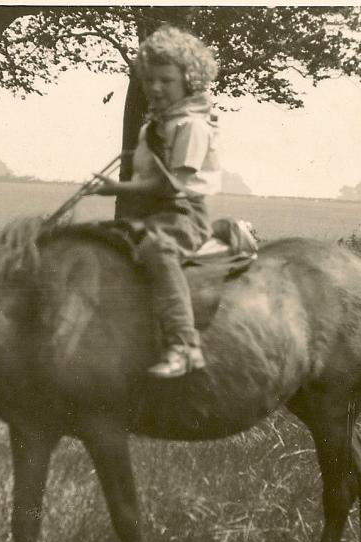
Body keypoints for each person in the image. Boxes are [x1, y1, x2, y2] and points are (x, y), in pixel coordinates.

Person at [87, 25, 221, 378]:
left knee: (158, 252)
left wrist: (116, 190)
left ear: (189, 81)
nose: (156, 88)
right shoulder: (155, 127)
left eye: (166, 80)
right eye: (149, 80)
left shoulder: (191, 125)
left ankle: (184, 344)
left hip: (183, 214)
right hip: (153, 212)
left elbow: (168, 186)